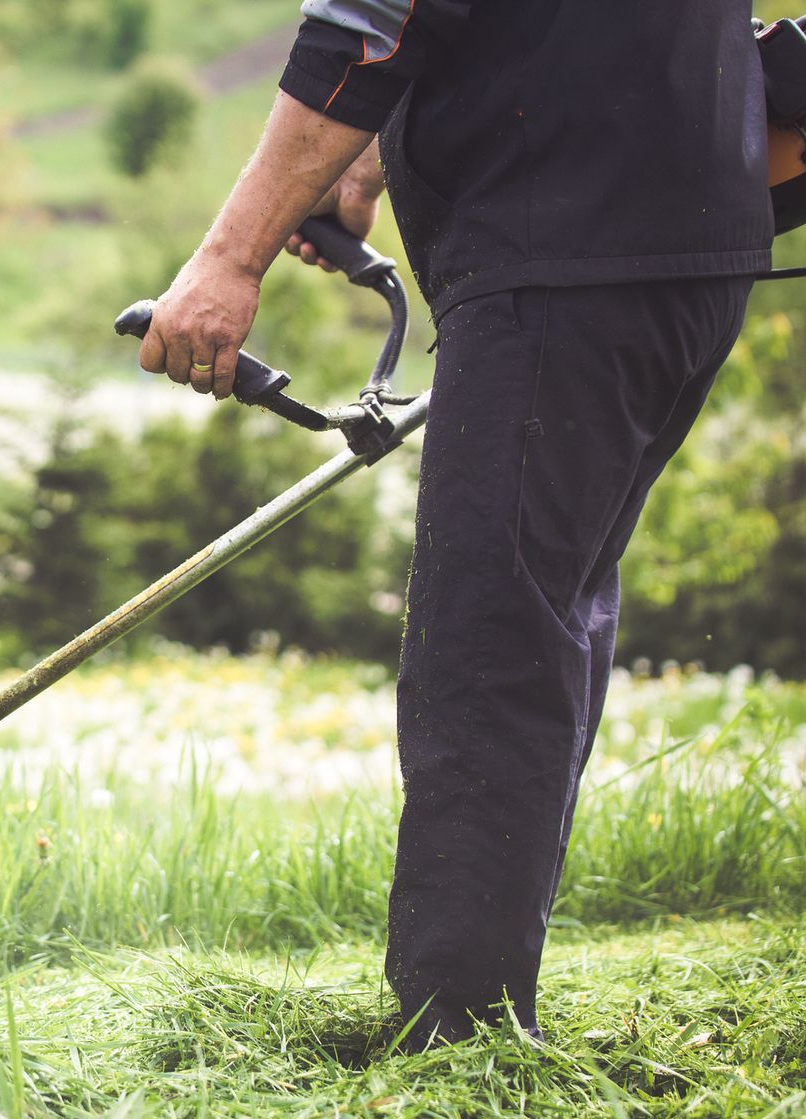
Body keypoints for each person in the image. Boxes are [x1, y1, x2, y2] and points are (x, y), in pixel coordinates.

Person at [140, 1, 775, 1046]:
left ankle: (458, 1032)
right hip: (680, 238)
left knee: (488, 636)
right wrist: (372, 158)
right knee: (546, 615)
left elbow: (370, 19)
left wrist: (228, 258)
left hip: (565, 236)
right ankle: (476, 1002)